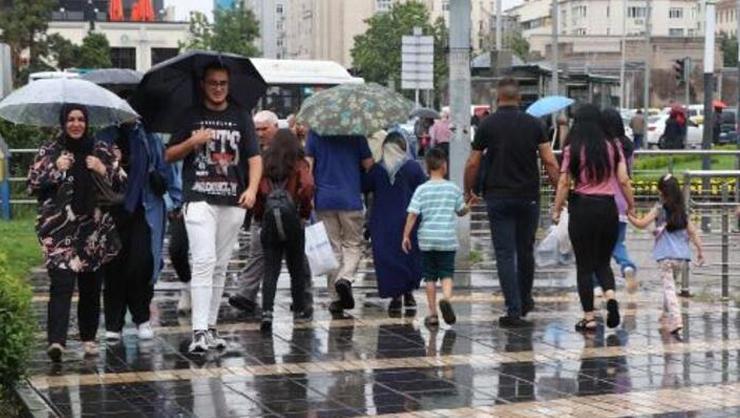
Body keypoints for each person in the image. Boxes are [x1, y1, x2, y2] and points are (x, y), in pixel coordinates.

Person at [165, 62, 263, 355]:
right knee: (204, 261)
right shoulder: (190, 115)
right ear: (203, 85)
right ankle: (198, 331)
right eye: (213, 83)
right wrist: (192, 141)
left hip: (233, 200)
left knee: (220, 265)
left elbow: (254, 158)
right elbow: (169, 154)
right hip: (199, 198)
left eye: (223, 83)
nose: (218, 88)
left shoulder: (241, 115)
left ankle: (210, 327)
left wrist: (252, 189)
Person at [463, 78, 560, 328]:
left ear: (498, 99)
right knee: (526, 250)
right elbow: (550, 161)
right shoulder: (534, 124)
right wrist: (560, 191)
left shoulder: (487, 125)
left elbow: (473, 162)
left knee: (505, 254)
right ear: (519, 99)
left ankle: (513, 309)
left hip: (498, 197)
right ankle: (525, 300)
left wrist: (468, 190)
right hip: (528, 197)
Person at [28, 104, 121, 361]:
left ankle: (88, 338)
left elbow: (122, 182)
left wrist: (103, 169)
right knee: (62, 283)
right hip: (59, 229)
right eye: (70, 119)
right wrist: (55, 169)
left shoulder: (101, 149)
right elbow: (32, 183)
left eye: (81, 119)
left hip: (93, 228)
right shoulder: (50, 150)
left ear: (87, 122)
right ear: (63, 122)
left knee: (91, 285)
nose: (76, 124)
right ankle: (56, 342)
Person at [552, 104, 635, 332]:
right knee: (603, 262)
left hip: (582, 208)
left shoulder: (572, 148)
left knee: (584, 266)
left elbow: (563, 183)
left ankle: (589, 318)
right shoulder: (613, 147)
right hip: (608, 208)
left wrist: (557, 209)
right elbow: (624, 180)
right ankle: (611, 297)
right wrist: (631, 204)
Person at [96, 120, 170, 342]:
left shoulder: (149, 138)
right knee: (113, 267)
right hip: (111, 210)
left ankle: (142, 317)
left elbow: (164, 171)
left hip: (143, 209)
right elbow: (94, 175)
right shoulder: (104, 137)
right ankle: (113, 324)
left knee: (141, 264)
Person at [628, 174, 704, 338]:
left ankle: (676, 320)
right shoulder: (682, 211)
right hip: (681, 258)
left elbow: (641, 224)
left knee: (669, 289)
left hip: (665, 257)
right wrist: (700, 250)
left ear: (661, 192)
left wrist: (629, 216)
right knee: (669, 286)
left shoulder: (659, 209)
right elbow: (693, 232)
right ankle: (665, 313)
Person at [305, 131, 373, 314]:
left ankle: (335, 298)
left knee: (332, 247)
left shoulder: (315, 134)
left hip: (324, 198)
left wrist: (309, 196)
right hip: (350, 197)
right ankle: (345, 278)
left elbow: (308, 166)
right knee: (353, 244)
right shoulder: (356, 134)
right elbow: (368, 164)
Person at [254, 129, 315, 332]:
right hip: (293, 219)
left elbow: (257, 190)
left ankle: (267, 312)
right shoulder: (299, 163)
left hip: (269, 219)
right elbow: (308, 186)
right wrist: (304, 212)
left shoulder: (265, 162)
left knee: (271, 268)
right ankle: (299, 308)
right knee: (296, 267)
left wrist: (260, 215)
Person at [403, 148, 469, 328]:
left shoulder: (421, 190)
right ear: (444, 166)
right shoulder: (453, 189)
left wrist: (406, 235)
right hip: (447, 239)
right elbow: (461, 211)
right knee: (446, 273)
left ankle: (432, 314)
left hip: (427, 240)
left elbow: (412, 214)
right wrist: (469, 205)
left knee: (430, 277)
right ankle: (446, 299)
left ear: (427, 167)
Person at [364, 132, 427, 314]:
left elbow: (364, 185)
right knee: (408, 256)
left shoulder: (377, 169)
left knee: (388, 259)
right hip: (408, 221)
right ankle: (409, 293)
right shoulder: (413, 167)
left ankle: (395, 296)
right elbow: (423, 191)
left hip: (382, 222)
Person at [228, 110, 279, 316]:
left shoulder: (286, 149)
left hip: (284, 211)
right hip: (261, 212)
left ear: (275, 127)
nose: (259, 133)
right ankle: (245, 294)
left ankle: (303, 298)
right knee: (257, 252)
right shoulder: (251, 149)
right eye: (256, 129)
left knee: (298, 259)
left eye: (264, 129)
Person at [601, 108, 638, 293]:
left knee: (597, 246)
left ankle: (597, 284)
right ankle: (627, 266)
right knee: (618, 242)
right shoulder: (627, 145)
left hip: (601, 200)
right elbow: (626, 177)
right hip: (621, 202)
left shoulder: (599, 146)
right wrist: (631, 204)